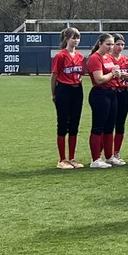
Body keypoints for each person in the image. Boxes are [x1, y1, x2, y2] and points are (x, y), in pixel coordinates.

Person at [50, 26, 86, 169]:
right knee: (63, 123)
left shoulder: (80, 56)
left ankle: (72, 158)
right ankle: (62, 159)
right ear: (66, 39)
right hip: (63, 90)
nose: (76, 40)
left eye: (78, 38)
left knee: (74, 124)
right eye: (73, 37)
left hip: (77, 90)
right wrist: (53, 94)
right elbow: (54, 76)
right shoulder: (60, 56)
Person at [86, 33, 121, 168]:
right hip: (100, 94)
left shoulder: (108, 57)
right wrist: (113, 74)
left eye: (112, 44)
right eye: (108, 44)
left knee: (109, 127)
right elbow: (99, 79)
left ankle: (109, 156)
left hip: (112, 93)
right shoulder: (95, 58)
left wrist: (118, 75)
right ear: (100, 43)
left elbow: (110, 75)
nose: (111, 47)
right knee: (98, 127)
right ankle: (95, 159)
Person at [107, 34, 128, 166]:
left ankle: (116, 152)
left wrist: (126, 77)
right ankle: (108, 153)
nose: (120, 47)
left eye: (122, 44)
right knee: (109, 124)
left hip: (123, 92)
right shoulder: (107, 59)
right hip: (111, 92)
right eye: (117, 44)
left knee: (120, 124)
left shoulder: (126, 60)